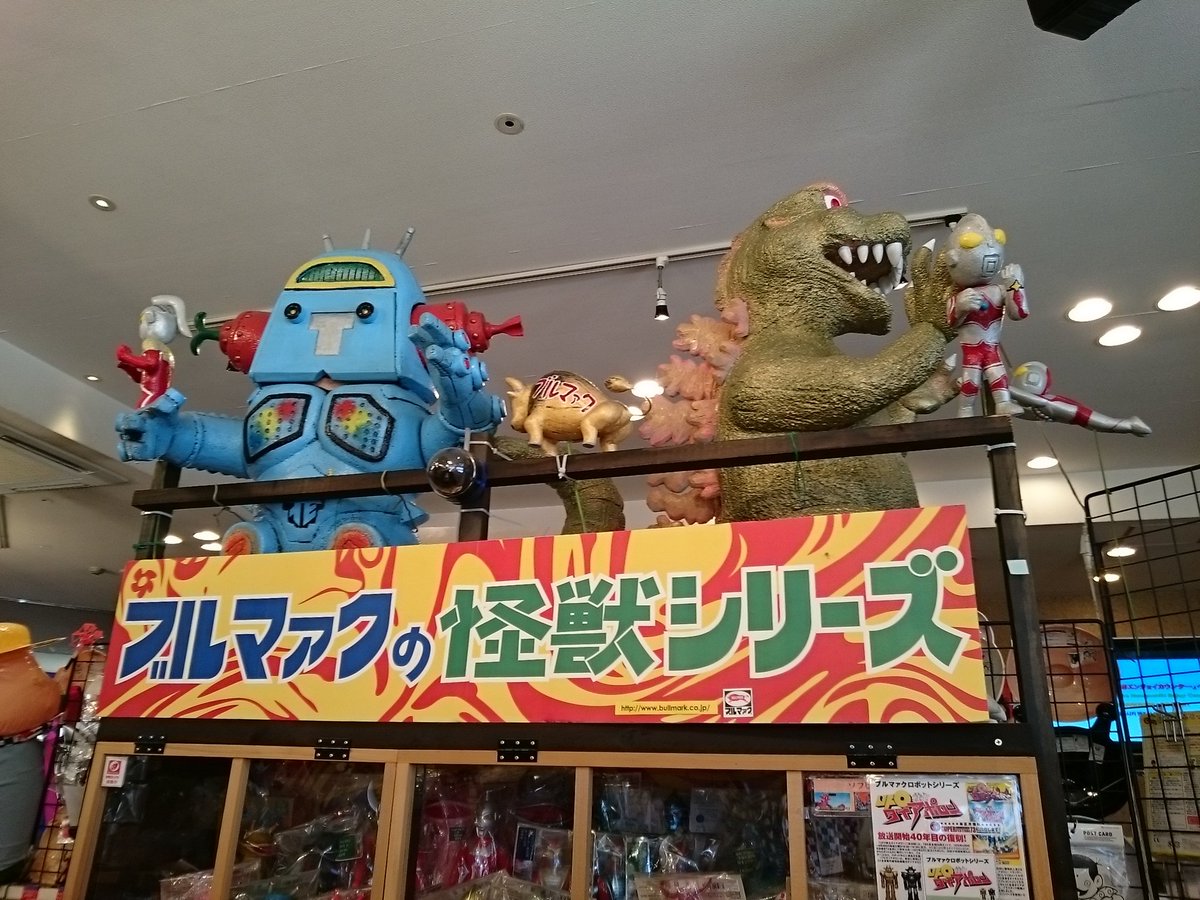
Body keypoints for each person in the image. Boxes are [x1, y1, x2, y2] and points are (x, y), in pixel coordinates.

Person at [0, 624, 62, 883]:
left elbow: (47, 702)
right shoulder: (29, 674)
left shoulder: (26, 673)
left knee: (6, 855)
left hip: (18, 753)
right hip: (19, 753)